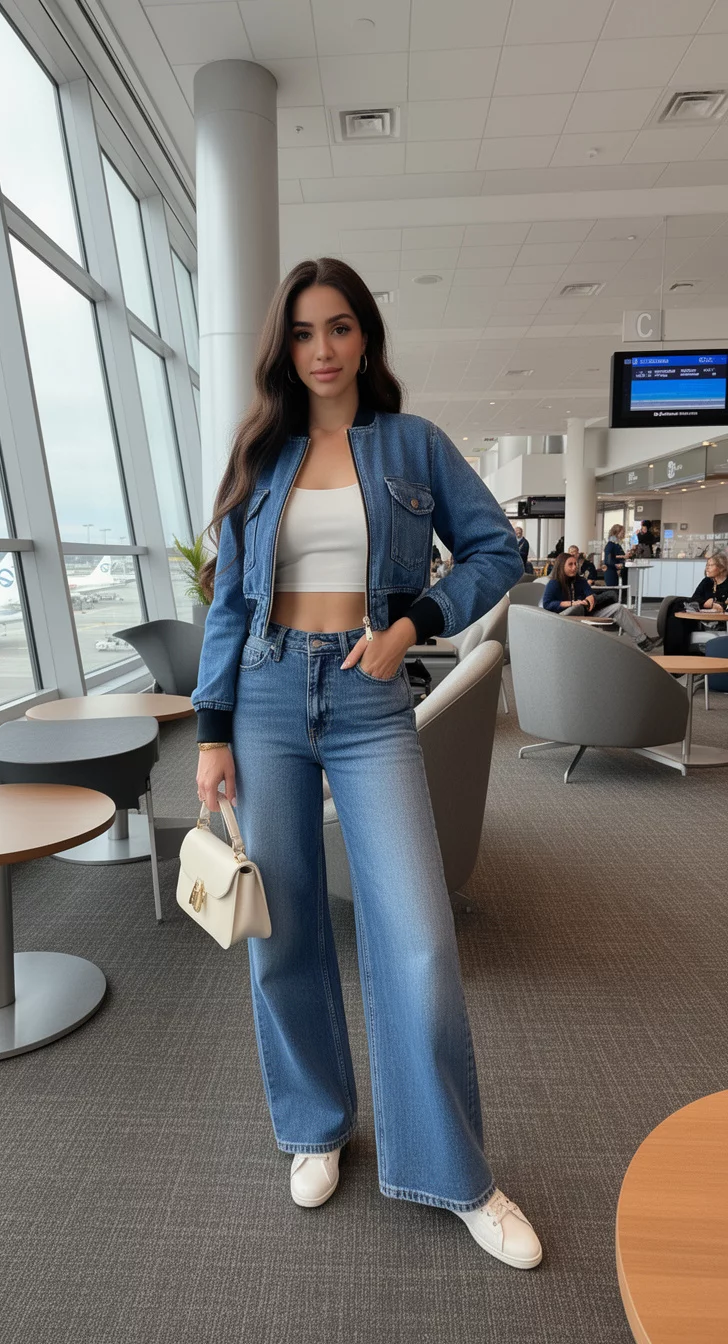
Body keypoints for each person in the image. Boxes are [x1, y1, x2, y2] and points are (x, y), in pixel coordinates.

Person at [191, 258, 540, 1269]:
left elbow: (496, 550)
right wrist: (212, 733)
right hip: (261, 693)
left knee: (421, 938)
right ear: (283, 350)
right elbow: (228, 605)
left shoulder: (413, 445)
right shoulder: (263, 455)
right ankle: (314, 1125)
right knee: (283, 924)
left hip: (367, 698)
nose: (324, 349)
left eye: (340, 328)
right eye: (304, 333)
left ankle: (456, 1171)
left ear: (366, 338)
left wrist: (414, 623)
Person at [542, 553, 660, 650]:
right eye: (570, 565)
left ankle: (643, 641)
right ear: (561, 566)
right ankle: (644, 639)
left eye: (575, 564)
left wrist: (590, 597)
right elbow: (547, 604)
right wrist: (572, 603)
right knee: (576, 608)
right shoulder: (554, 583)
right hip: (565, 617)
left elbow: (590, 594)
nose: (574, 567)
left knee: (618, 608)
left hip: (586, 613)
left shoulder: (580, 581)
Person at [664, 553, 728, 655]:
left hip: (720, 622)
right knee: (676, 604)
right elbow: (695, 598)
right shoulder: (707, 582)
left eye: (710, 565)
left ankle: (678, 656)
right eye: (706, 565)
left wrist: (721, 606)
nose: (707, 568)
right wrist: (706, 603)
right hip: (700, 619)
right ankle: (675, 656)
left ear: (721, 567)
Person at [603, 523, 628, 590]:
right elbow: (608, 560)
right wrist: (616, 565)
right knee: (612, 591)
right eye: (622, 532)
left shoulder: (616, 545)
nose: (623, 534)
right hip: (610, 571)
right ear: (616, 533)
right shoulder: (610, 545)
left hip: (614, 570)